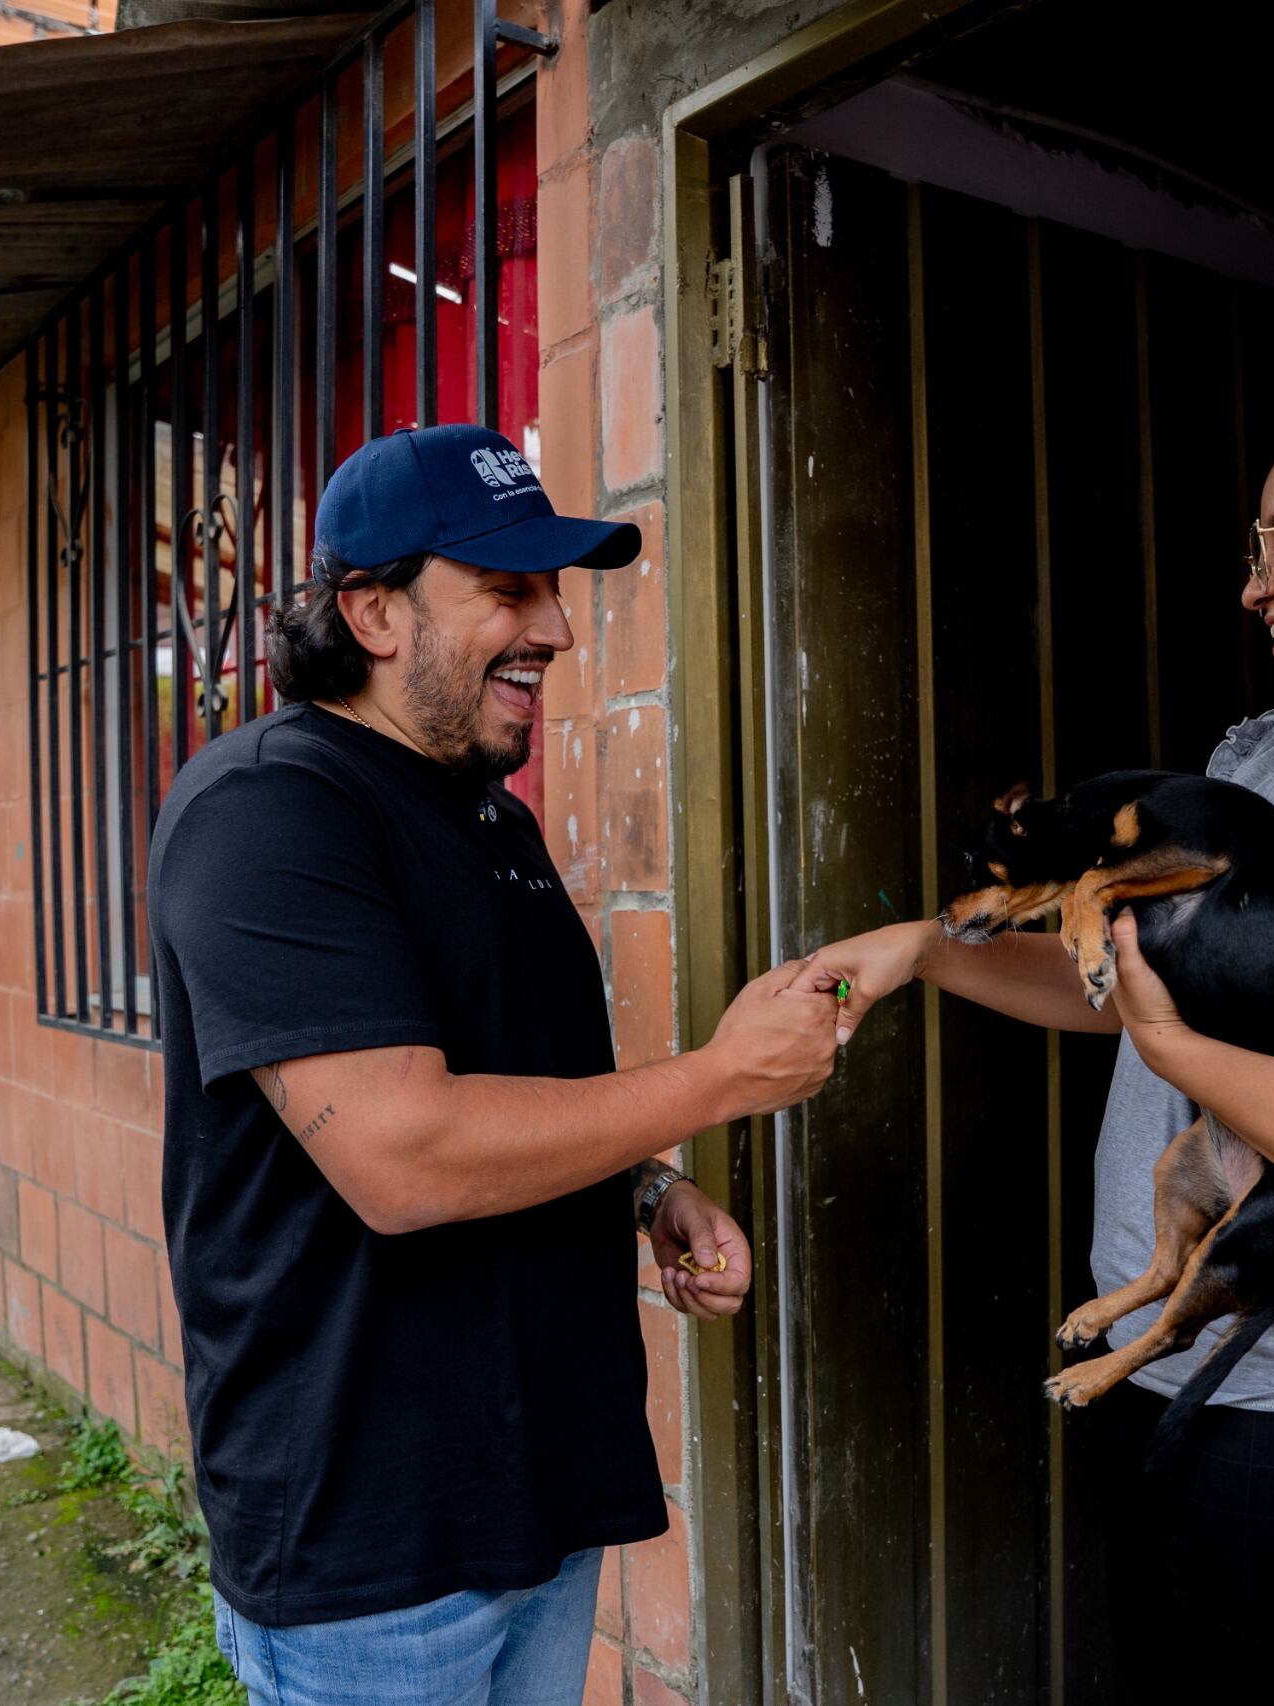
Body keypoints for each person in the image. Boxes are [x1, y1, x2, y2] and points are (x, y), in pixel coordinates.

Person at [815, 396, 1274, 1700]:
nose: (1254, 586)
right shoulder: (1263, 754)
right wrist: (924, 949)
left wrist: (1173, 1047)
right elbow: (1126, 982)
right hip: (1173, 1373)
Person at [147, 424, 840, 1705]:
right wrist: (729, 1075)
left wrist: (647, 1188)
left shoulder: (487, 815)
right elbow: (403, 1155)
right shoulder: (269, 810)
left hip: (537, 1493)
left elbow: (518, 1075)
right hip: (375, 1545)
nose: (556, 629)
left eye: (554, 590)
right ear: (373, 611)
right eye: (508, 590)